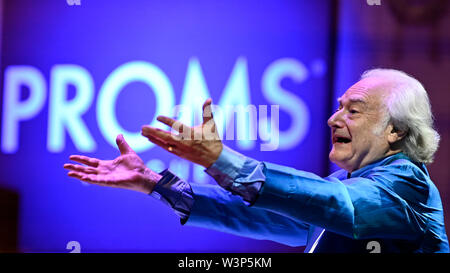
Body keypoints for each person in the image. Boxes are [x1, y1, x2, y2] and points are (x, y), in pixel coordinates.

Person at [64, 68, 449, 253]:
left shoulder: (407, 185)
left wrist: (222, 160)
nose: (334, 119)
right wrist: (154, 182)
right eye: (338, 108)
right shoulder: (344, 185)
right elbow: (249, 214)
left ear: (395, 130)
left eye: (354, 110)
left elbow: (339, 208)